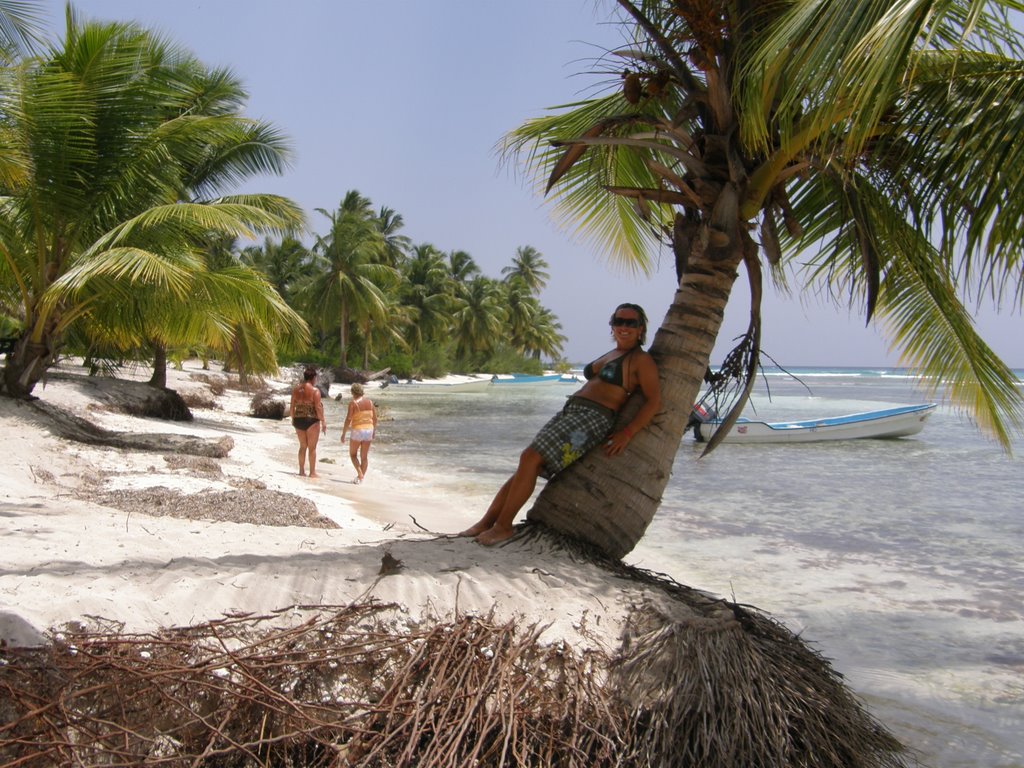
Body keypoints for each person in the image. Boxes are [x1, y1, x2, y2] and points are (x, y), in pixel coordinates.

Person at [461, 302, 661, 545]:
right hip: (572, 411)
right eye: (619, 321)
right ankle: (487, 522)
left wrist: (628, 433)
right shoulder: (612, 354)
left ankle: (503, 526)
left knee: (529, 458)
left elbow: (653, 401)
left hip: (592, 419)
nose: (625, 327)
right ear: (612, 326)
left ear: (641, 329)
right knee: (527, 465)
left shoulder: (641, 360)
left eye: (632, 323)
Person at [290, 365, 327, 477]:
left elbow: (292, 406)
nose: (316, 380)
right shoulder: (315, 391)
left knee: (302, 446)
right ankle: (312, 472)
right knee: (312, 448)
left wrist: (293, 419)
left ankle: (301, 471)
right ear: (313, 378)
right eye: (316, 378)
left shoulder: (296, 389)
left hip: (298, 420)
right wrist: (323, 421)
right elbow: (318, 407)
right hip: (312, 420)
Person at [341, 382, 378, 484]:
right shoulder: (370, 402)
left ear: (353, 392)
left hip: (358, 430)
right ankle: (360, 479)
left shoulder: (353, 403)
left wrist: (343, 433)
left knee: (353, 455)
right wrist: (374, 431)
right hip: (369, 429)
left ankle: (360, 475)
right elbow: (375, 419)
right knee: (364, 457)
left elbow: (348, 419)